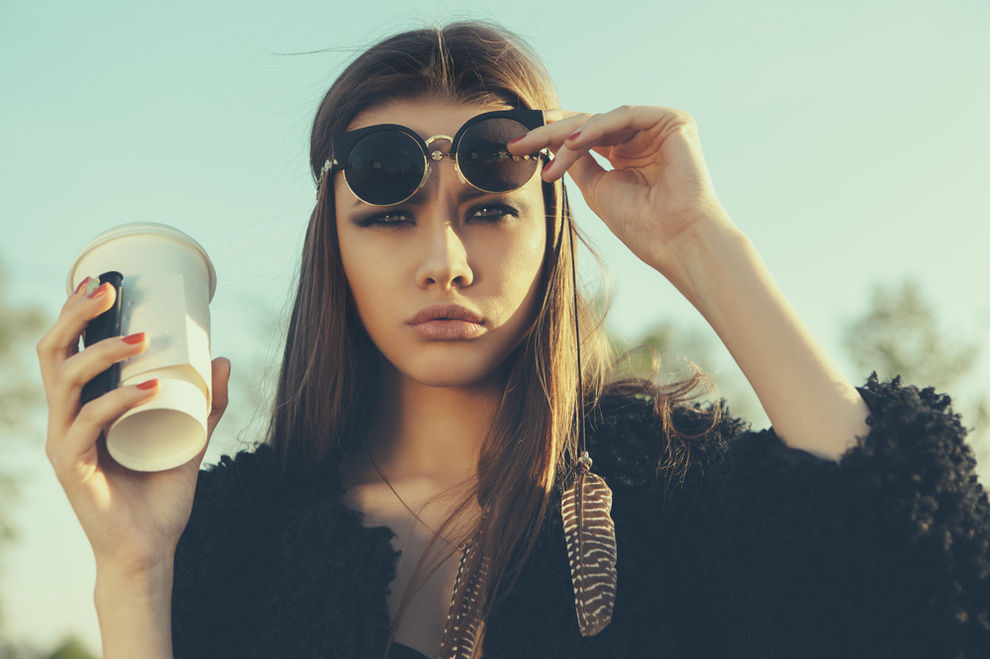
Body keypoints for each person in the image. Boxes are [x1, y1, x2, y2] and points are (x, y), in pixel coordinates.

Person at [36, 20, 990, 659]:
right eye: (388, 217)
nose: (445, 258)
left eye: (490, 209)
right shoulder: (239, 535)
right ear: (332, 245)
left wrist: (703, 243)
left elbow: (926, 587)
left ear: (553, 233)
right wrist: (134, 569)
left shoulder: (675, 489)